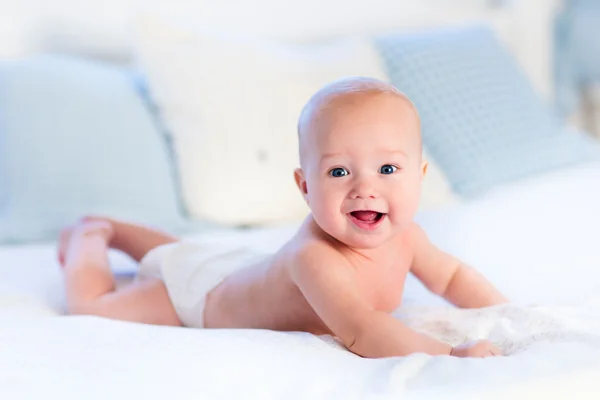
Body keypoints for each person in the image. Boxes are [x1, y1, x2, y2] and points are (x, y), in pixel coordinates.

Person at [58, 77, 508, 358]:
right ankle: (92, 237)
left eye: (388, 169)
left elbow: (451, 277)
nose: (365, 188)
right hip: (201, 299)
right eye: (338, 171)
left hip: (238, 267)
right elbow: (362, 330)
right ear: (305, 187)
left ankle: (117, 229)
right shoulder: (315, 258)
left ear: (420, 177)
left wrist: (510, 314)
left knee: (178, 252)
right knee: (95, 305)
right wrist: (450, 354)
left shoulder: (408, 236)